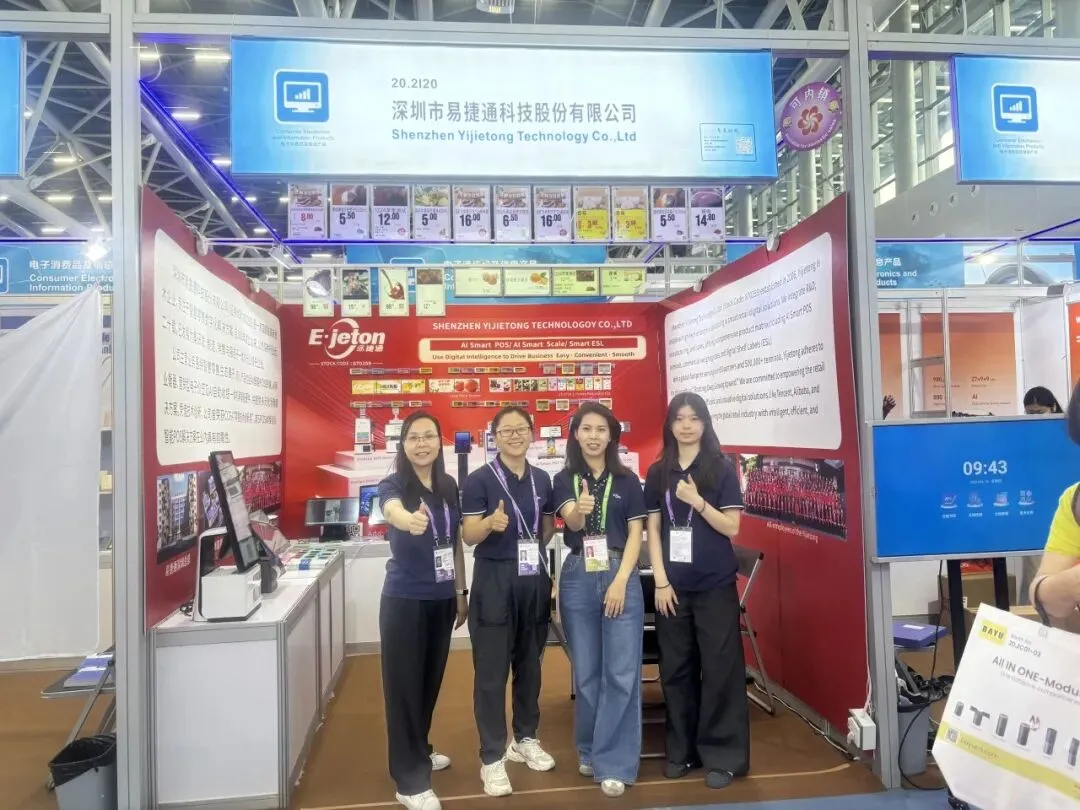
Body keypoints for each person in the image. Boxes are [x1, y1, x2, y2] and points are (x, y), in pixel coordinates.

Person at [644, 392, 750, 789]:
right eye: (679, 418)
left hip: (715, 586)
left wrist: (698, 502)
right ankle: (682, 751)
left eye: (694, 418)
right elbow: (654, 529)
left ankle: (723, 757)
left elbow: (732, 527)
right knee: (676, 671)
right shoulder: (659, 471)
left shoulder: (722, 468)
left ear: (705, 423)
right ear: (670, 425)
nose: (686, 425)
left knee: (721, 671)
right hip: (673, 589)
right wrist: (660, 580)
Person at [461, 406, 556, 796]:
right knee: (491, 672)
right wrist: (489, 524)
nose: (515, 436)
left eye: (521, 429)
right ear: (494, 437)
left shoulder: (542, 479)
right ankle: (492, 757)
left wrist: (531, 553)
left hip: (532, 578)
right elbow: (469, 535)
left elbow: (547, 529)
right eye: (506, 431)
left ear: (532, 434)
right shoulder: (479, 480)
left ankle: (525, 738)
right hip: (494, 579)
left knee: (530, 664)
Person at [553, 402, 646, 798]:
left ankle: (616, 763)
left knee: (621, 673)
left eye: (601, 429)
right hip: (578, 575)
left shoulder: (628, 481)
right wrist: (580, 510)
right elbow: (572, 521)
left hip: (619, 572)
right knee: (588, 673)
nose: (593, 436)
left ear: (611, 436)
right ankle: (590, 748)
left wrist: (621, 580)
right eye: (586, 429)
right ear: (576, 434)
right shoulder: (563, 479)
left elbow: (637, 533)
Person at [377, 412, 468, 810]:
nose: (422, 444)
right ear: (403, 444)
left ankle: (420, 749)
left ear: (439, 442)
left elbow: (456, 541)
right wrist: (407, 520)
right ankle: (410, 780)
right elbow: (391, 510)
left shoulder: (448, 485)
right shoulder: (395, 483)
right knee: (404, 689)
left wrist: (460, 591)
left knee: (428, 683)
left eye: (429, 436)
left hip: (441, 598)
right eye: (413, 437)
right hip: (405, 600)